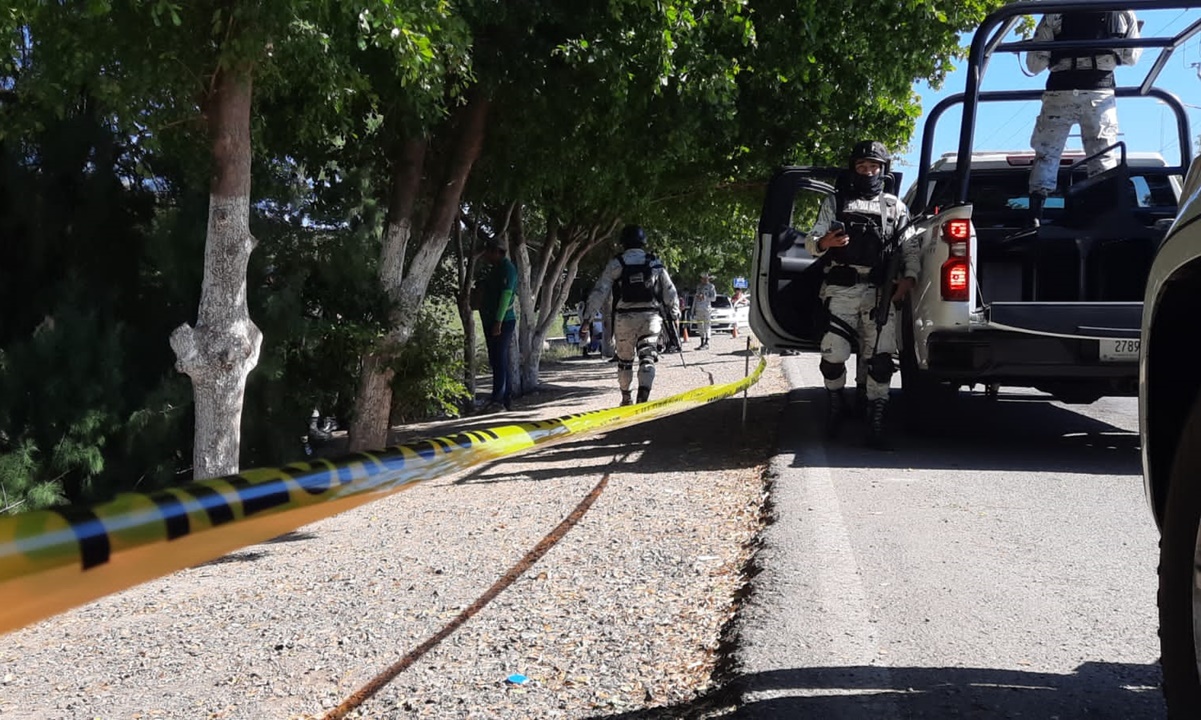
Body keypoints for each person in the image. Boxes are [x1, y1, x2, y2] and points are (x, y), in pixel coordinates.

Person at [803, 140, 920, 449]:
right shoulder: (835, 201)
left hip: (880, 292)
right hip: (840, 290)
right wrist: (826, 242)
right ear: (853, 169)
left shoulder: (895, 206)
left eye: (874, 167)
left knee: (880, 362)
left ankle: (875, 421)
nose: (868, 172)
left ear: (883, 170)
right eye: (862, 167)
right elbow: (810, 242)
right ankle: (836, 404)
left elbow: (909, 247)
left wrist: (908, 279)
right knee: (833, 355)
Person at [1025, 9, 1141, 228]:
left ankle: (1035, 217)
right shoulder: (1124, 12)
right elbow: (1131, 57)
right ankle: (1104, 217)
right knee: (1102, 158)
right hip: (1099, 92)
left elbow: (1035, 65)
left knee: (1047, 155)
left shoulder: (1055, 12)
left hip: (1060, 90)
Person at [584, 224, 680, 406]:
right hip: (650, 318)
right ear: (643, 242)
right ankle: (642, 399)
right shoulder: (653, 262)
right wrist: (674, 315)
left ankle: (626, 398)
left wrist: (587, 319)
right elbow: (670, 291)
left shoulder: (616, 263)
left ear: (623, 243)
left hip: (624, 319)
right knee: (648, 357)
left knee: (625, 362)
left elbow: (600, 292)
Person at [477, 239, 518, 411]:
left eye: (488, 252)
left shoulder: (507, 270)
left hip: (502, 321)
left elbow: (506, 296)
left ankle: (499, 398)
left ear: (497, 252)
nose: (486, 256)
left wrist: (498, 321)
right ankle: (503, 395)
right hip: (490, 319)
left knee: (500, 359)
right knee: (496, 359)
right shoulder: (494, 270)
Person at [693, 273, 717, 349]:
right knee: (700, 326)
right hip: (698, 308)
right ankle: (702, 342)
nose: (703, 280)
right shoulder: (699, 286)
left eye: (705, 278)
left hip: (706, 308)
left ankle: (707, 342)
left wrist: (705, 297)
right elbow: (695, 299)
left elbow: (713, 298)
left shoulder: (711, 287)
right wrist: (693, 309)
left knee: (707, 325)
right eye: (702, 278)